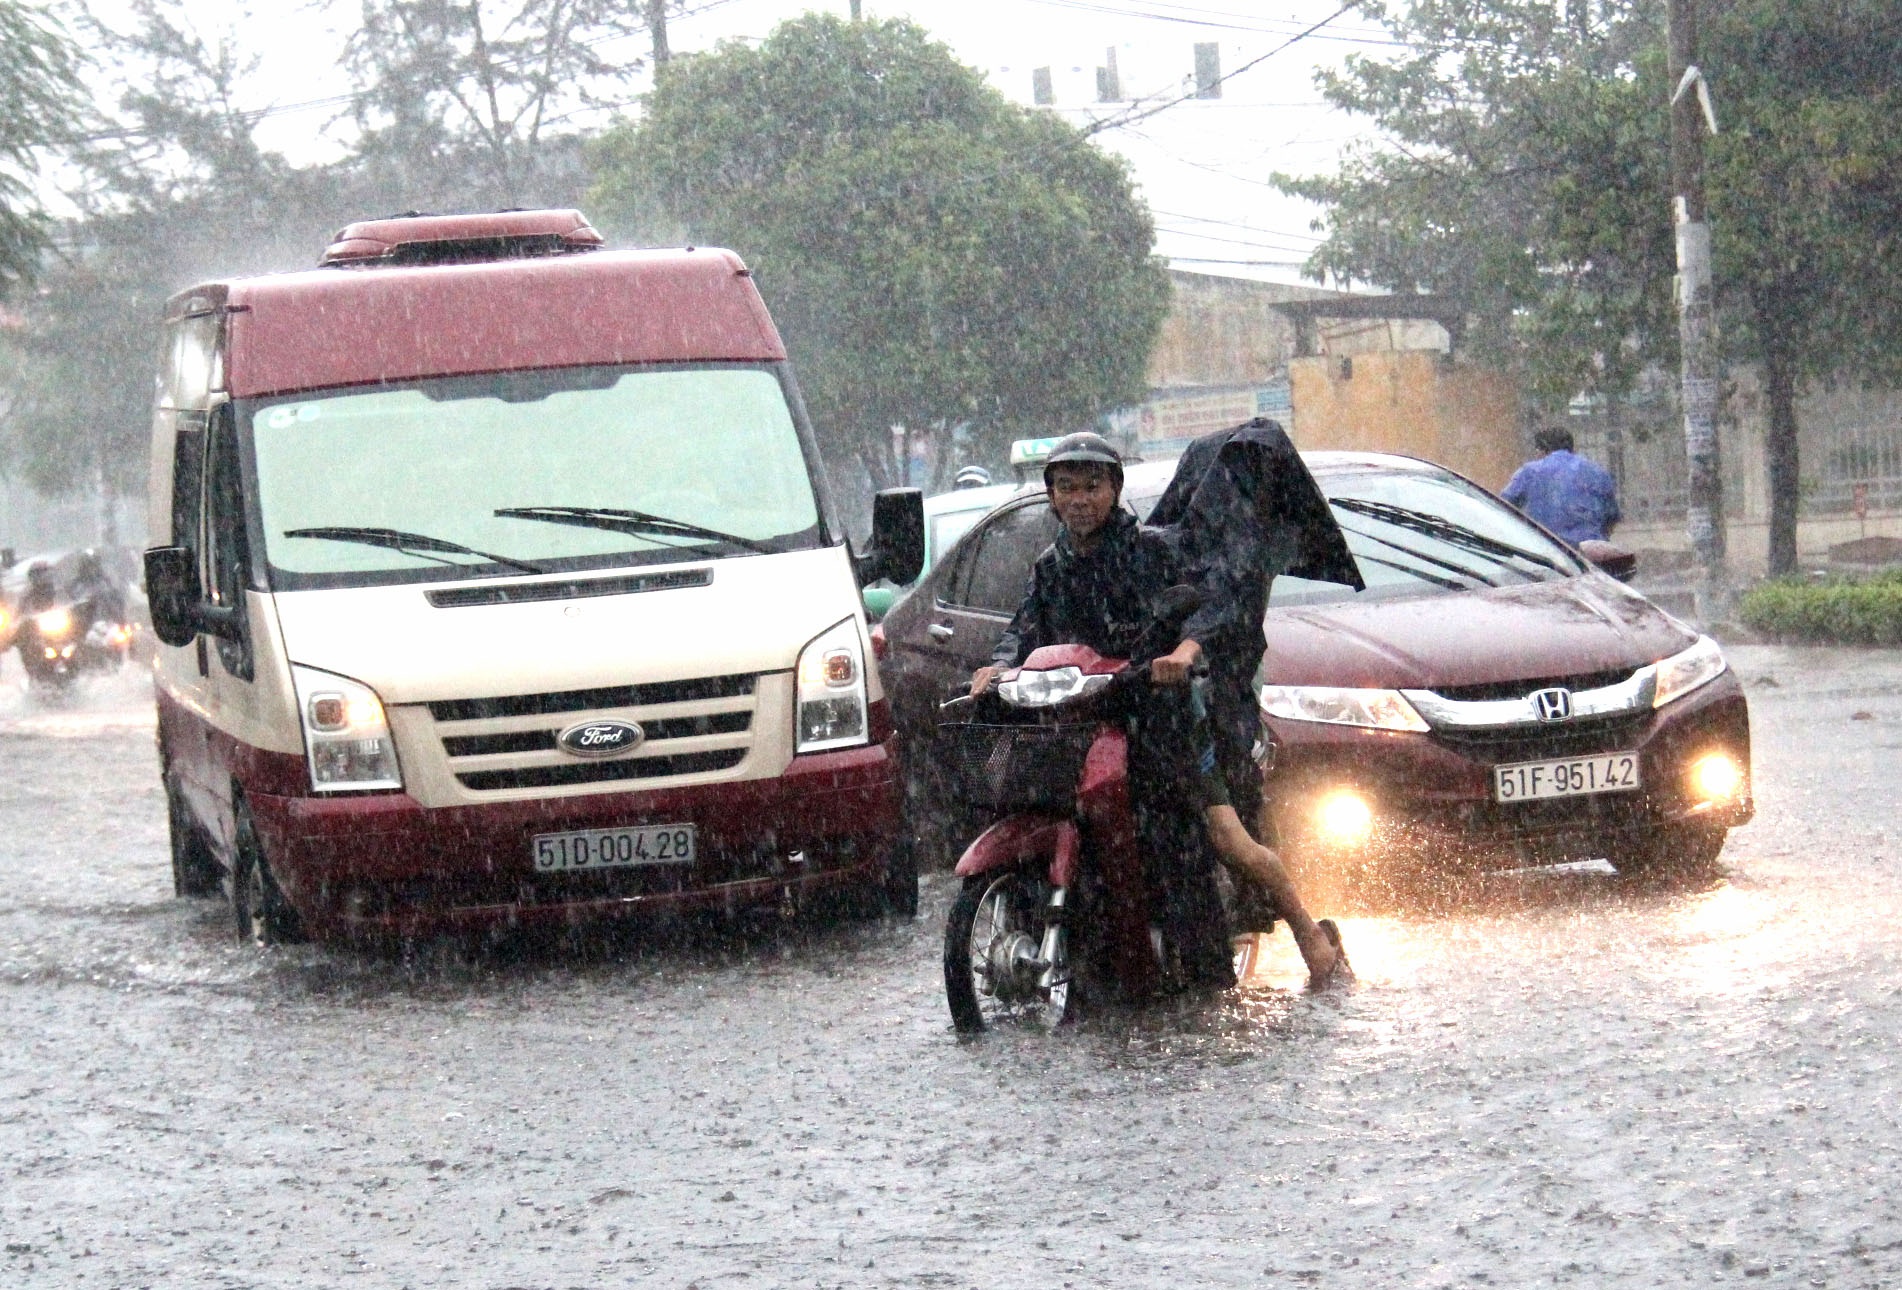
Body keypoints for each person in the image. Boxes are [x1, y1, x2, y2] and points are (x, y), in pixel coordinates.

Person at [969, 432, 1349, 989]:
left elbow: (1212, 602)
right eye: (1066, 487)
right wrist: (999, 667)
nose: (1079, 499)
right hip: (1086, 722)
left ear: (1115, 490)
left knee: (1221, 838)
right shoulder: (1050, 566)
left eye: (1092, 486)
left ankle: (1309, 941)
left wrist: (1184, 652)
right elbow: (1024, 629)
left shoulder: (1152, 550)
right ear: (1050, 496)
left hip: (1164, 715)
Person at [1501, 426, 1622, 545]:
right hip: (1589, 550)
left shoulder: (1530, 471)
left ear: (1541, 451)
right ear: (1572, 449)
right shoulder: (1597, 471)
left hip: (1547, 548)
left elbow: (1503, 506)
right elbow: (1611, 517)